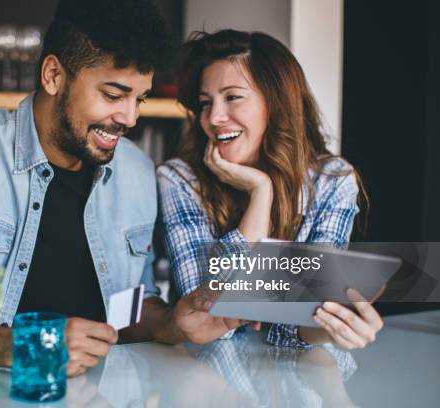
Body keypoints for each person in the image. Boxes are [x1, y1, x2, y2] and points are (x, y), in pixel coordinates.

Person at [0, 1, 254, 377]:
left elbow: (128, 307)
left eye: (140, 99)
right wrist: (13, 346)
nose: (129, 117)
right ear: (54, 75)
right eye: (113, 94)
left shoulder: (136, 173)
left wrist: (170, 322)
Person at [158, 29, 384, 349]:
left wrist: (338, 327)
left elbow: (310, 315)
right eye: (205, 103)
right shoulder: (180, 179)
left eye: (233, 97)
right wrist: (260, 193)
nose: (214, 117)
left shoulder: (332, 180)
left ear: (275, 103)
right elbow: (210, 318)